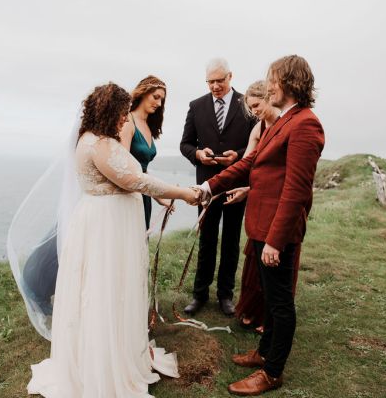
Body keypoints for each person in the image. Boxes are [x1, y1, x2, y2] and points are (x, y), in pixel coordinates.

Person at [26, 83, 198, 398]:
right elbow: (134, 179)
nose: (124, 120)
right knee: (105, 288)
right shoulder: (98, 145)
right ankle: (102, 363)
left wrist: (160, 198)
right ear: (109, 112)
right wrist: (183, 192)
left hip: (106, 221)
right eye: (120, 115)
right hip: (106, 227)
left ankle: (111, 348)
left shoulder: (94, 139)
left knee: (109, 287)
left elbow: (130, 180)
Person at [197, 55, 325, 395]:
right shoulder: (282, 121)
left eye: (273, 80)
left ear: (289, 82)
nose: (269, 86)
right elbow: (250, 163)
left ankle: (272, 372)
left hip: (275, 231)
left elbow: (297, 190)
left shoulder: (305, 124)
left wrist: (275, 241)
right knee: (269, 298)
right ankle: (263, 352)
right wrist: (208, 187)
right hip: (260, 223)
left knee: (280, 303)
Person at [179, 58, 255, 316]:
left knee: (232, 240)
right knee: (207, 240)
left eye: (219, 81)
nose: (214, 86)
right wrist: (198, 154)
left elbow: (258, 144)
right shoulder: (196, 106)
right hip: (207, 186)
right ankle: (199, 295)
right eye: (210, 82)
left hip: (237, 184)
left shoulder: (247, 104)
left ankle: (226, 296)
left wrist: (239, 155)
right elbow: (185, 144)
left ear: (230, 77)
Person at [226, 80, 282, 333]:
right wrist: (242, 189)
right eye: (250, 108)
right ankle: (253, 309)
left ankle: (271, 316)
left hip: (280, 202)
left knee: (275, 259)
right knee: (255, 259)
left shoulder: (286, 125)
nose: (254, 111)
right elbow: (248, 162)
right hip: (258, 201)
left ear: (270, 98)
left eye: (257, 105)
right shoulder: (258, 127)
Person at [120, 75, 172, 229]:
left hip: (144, 195)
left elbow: (142, 169)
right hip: (129, 194)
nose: (159, 103)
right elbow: (123, 166)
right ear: (143, 93)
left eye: (162, 100)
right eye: (156, 97)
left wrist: (158, 197)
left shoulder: (149, 126)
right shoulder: (128, 121)